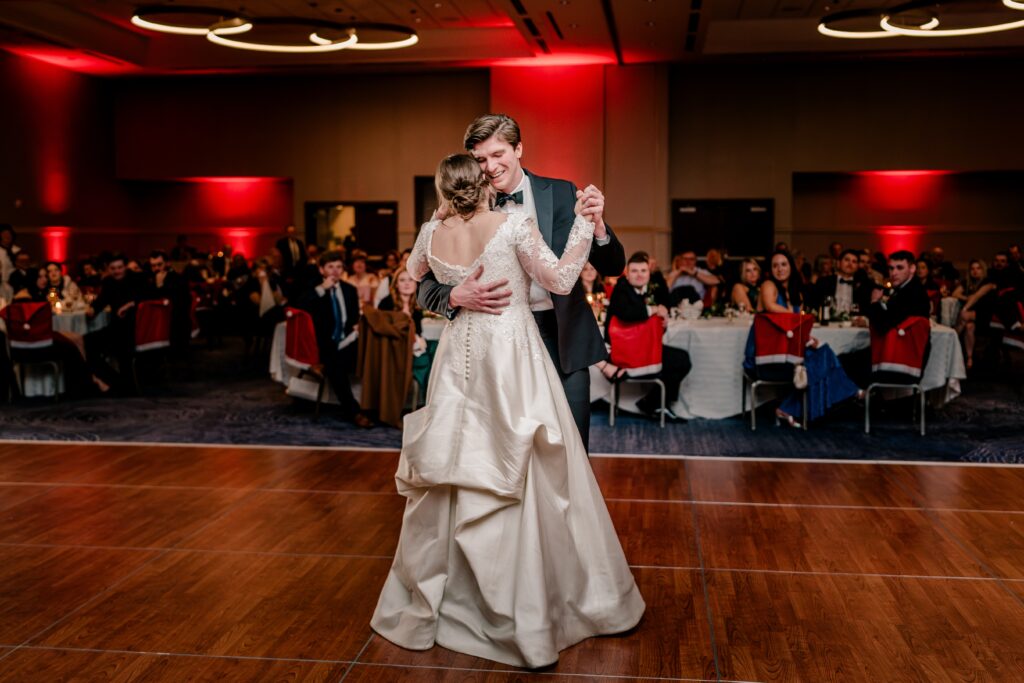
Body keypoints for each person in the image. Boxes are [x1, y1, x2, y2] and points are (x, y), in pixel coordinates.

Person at [372, 153, 643, 668]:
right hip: (514, 356)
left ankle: (453, 597)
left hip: (458, 360)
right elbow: (563, 280)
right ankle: (534, 603)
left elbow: (410, 273)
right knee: (529, 468)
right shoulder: (513, 224)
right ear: (481, 181)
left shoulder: (431, 232)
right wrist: (584, 227)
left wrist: (451, 283)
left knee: (457, 470)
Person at [416, 113, 626, 450]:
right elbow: (422, 285)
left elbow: (614, 265)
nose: (490, 166)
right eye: (480, 159)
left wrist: (598, 227)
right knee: (504, 454)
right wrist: (455, 295)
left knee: (571, 451)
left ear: (518, 149)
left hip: (562, 338)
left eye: (498, 154)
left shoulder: (561, 192)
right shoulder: (457, 210)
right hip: (497, 347)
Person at [749, 250, 860, 427]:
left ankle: (786, 408)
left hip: (787, 348)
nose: (780, 269)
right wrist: (801, 319)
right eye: (775, 265)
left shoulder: (795, 293)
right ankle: (848, 390)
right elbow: (771, 307)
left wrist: (807, 336)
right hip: (767, 350)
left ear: (791, 267)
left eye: (784, 264)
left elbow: (794, 327)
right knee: (823, 357)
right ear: (770, 270)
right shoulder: (768, 285)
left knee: (823, 351)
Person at [604, 251, 691, 421]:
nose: (639, 275)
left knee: (682, 359)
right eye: (634, 271)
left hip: (642, 346)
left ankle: (653, 403)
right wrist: (654, 309)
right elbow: (626, 313)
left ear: (649, 273)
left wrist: (662, 322)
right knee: (678, 360)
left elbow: (650, 321)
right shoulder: (621, 288)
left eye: (643, 271)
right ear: (627, 274)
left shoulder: (649, 289)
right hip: (623, 351)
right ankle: (655, 404)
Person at [298, 250, 372, 429]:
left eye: (339, 267)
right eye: (330, 267)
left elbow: (354, 318)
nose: (335, 271)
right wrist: (322, 289)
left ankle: (377, 407)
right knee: (335, 364)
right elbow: (301, 307)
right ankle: (353, 412)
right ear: (322, 269)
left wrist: (356, 327)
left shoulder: (349, 290)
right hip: (324, 346)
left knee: (372, 354)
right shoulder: (314, 289)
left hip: (347, 341)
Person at [811, 248, 874, 316]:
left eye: (854, 261)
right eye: (847, 260)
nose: (850, 264)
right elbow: (814, 305)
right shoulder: (824, 282)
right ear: (838, 263)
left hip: (854, 324)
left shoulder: (863, 286)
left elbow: (866, 310)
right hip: (828, 324)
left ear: (857, 267)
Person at [953, 259, 987, 369]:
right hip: (970, 316)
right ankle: (969, 357)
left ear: (983, 270)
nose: (975, 271)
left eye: (978, 268)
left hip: (984, 313)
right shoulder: (967, 283)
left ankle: (953, 338)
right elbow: (955, 293)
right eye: (972, 269)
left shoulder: (987, 282)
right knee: (969, 326)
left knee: (963, 315)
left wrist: (967, 304)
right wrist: (966, 297)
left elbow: (977, 297)